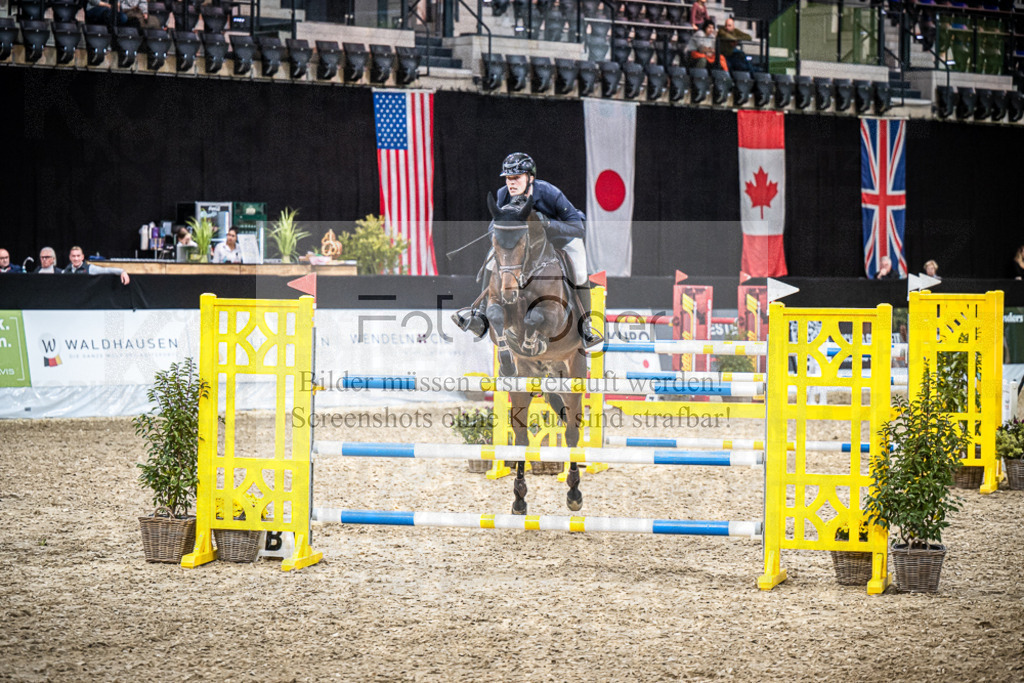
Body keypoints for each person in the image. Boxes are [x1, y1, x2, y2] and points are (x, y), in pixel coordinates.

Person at [453, 152, 603, 349]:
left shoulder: (550, 193)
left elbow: (578, 229)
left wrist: (548, 222)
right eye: (508, 178)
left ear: (530, 178)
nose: (511, 183)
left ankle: (586, 325)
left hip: (562, 239)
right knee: (492, 257)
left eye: (516, 177)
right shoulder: (502, 195)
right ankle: (481, 315)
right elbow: (494, 226)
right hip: (530, 244)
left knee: (582, 272)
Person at [63, 246, 131, 285]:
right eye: (73, 256)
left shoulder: (90, 268)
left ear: (82, 257)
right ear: (70, 257)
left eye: (78, 256)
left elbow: (106, 270)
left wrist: (122, 272)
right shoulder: (66, 270)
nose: (76, 258)